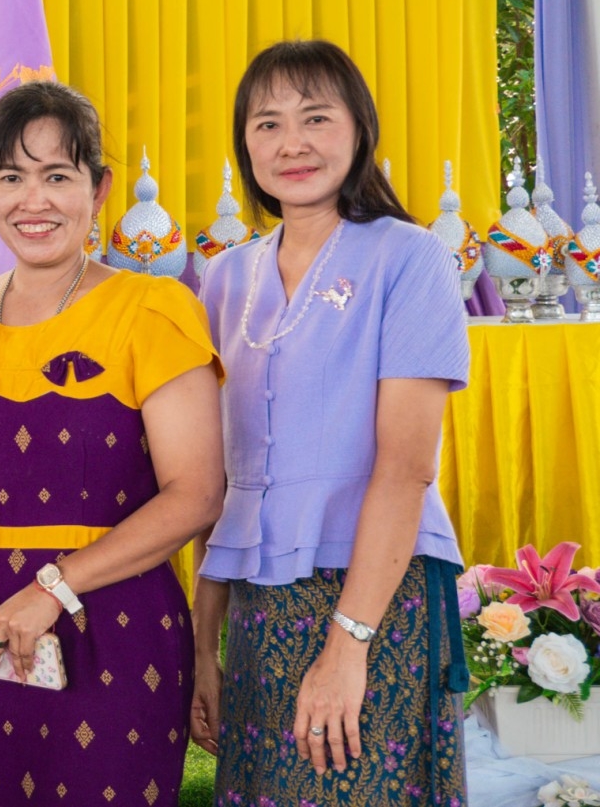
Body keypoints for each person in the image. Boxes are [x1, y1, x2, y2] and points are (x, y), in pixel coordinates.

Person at [0, 80, 225, 807]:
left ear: (100, 188)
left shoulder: (152, 308)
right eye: (12, 178)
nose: (35, 201)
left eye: (58, 176)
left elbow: (196, 495)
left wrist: (53, 588)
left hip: (119, 630)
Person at [191, 40, 472, 803]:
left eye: (315, 117)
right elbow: (216, 481)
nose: (292, 143)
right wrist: (203, 647)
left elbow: (406, 468)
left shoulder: (411, 258)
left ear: (359, 128)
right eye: (267, 123)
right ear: (244, 143)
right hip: (257, 603)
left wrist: (348, 646)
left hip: (375, 597)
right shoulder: (224, 275)